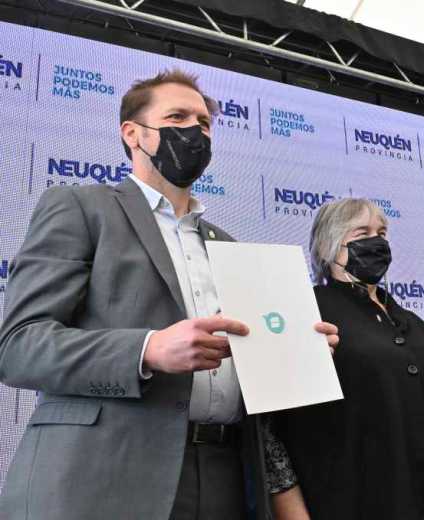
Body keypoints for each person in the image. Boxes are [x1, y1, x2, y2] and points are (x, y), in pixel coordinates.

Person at [0, 69, 338, 520]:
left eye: (204, 123)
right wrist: (148, 349)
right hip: (105, 474)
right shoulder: (81, 208)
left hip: (226, 475)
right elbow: (19, 347)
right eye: (177, 117)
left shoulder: (229, 245)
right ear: (132, 133)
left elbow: (253, 365)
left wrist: (296, 352)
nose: (195, 131)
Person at [262, 198, 424, 520]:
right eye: (362, 233)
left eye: (382, 232)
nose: (376, 241)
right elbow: (271, 429)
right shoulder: (304, 312)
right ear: (328, 246)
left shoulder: (410, 320)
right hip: (355, 499)